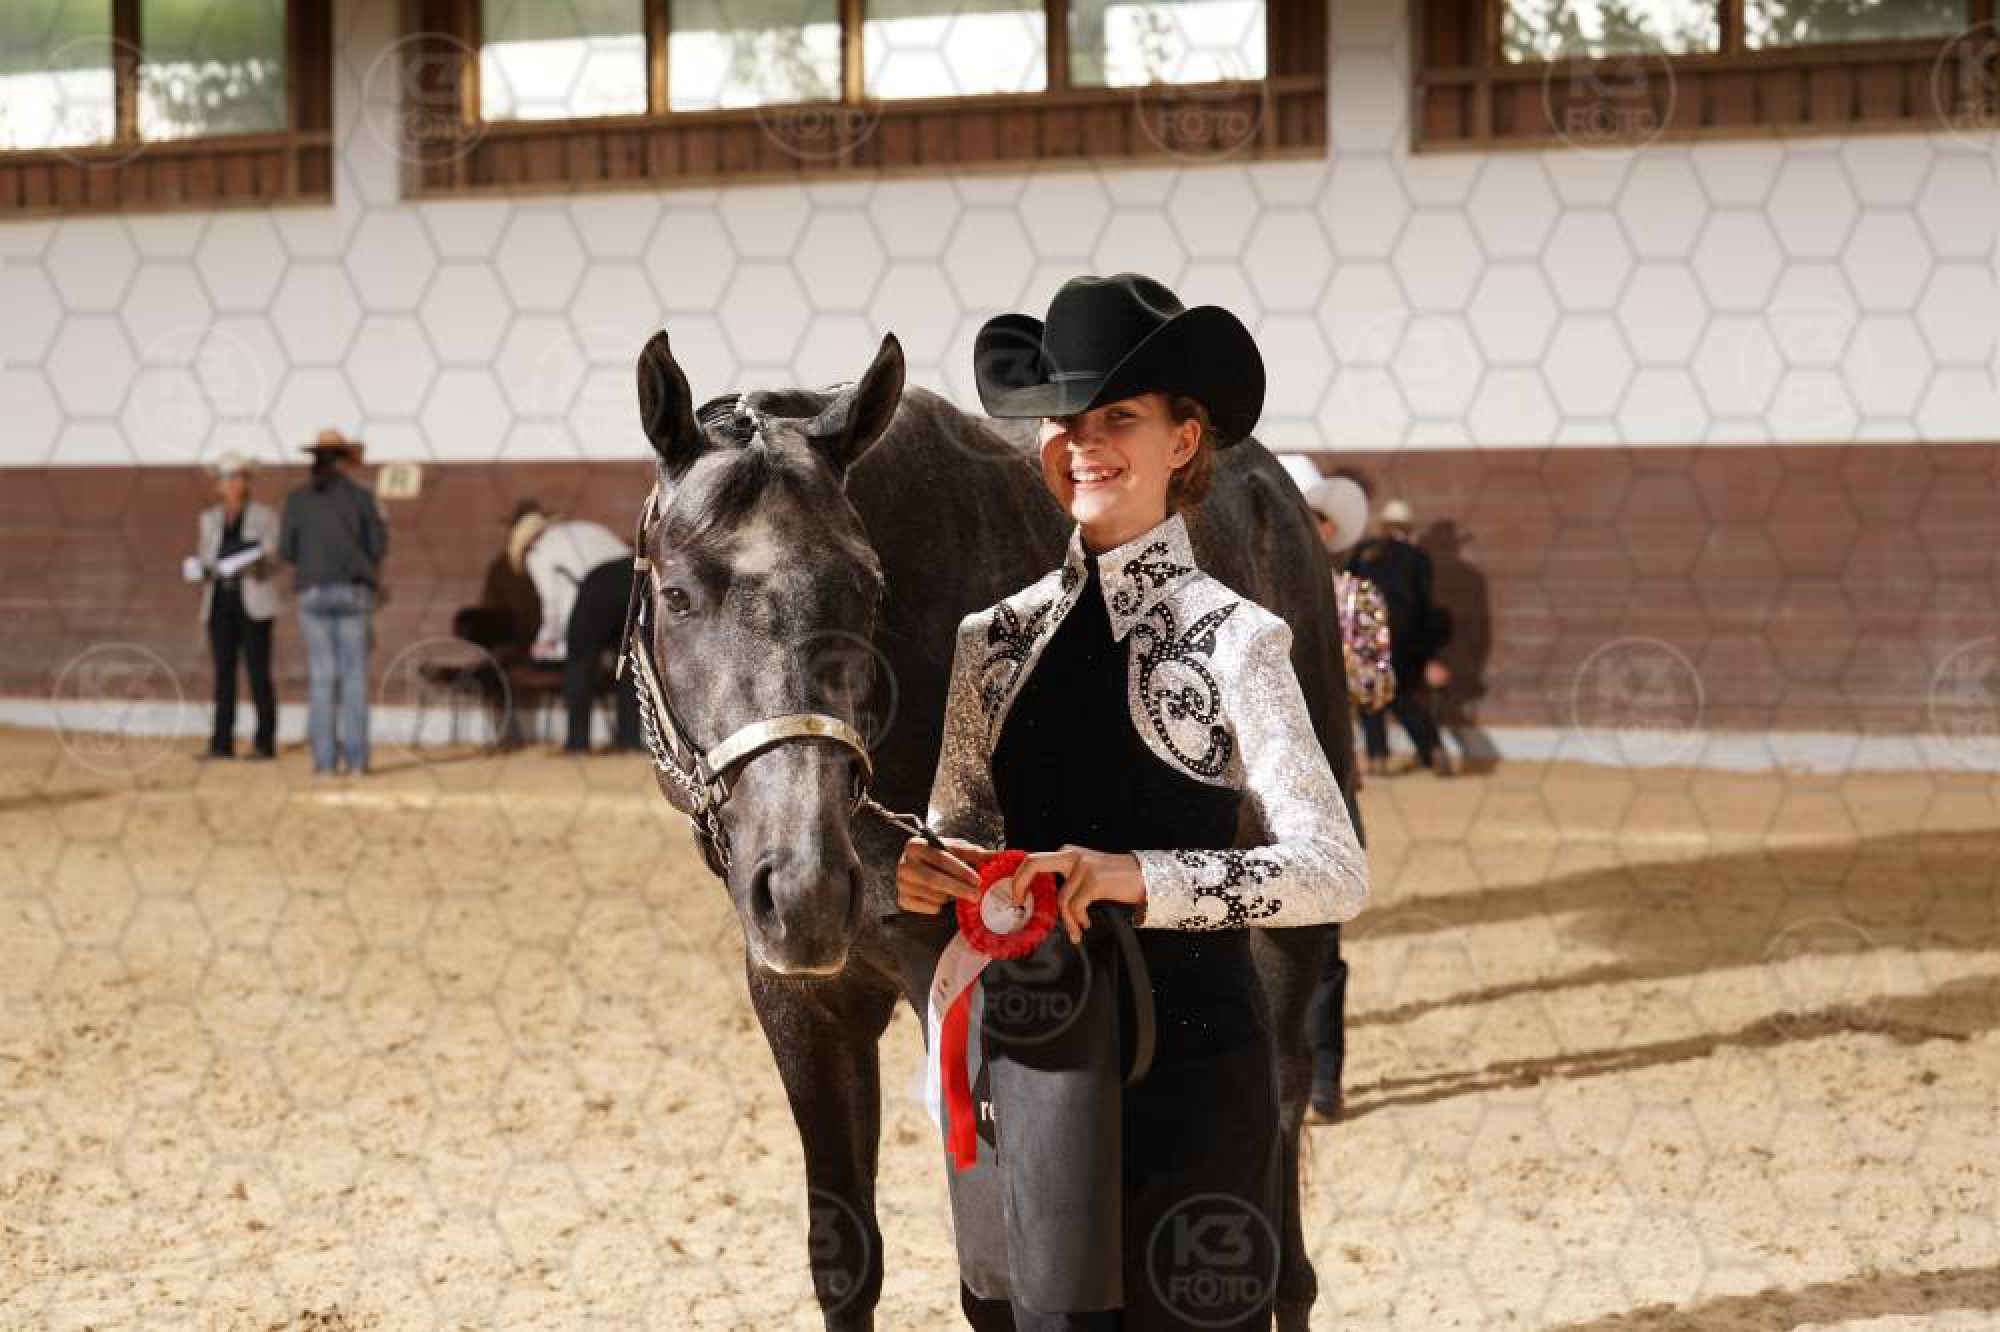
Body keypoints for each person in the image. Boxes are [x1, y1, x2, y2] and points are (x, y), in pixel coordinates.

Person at [895, 273, 1369, 1329]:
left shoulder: (1237, 640)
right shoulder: (990, 643)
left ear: (1182, 440)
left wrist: (1130, 878)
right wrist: (930, 868)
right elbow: (963, 829)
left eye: (1118, 416)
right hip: (1032, 1062)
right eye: (1065, 419)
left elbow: (1332, 871)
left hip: (1195, 1073)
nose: (1084, 442)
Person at [1299, 475, 1394, 1123]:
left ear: (1327, 528)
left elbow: (1379, 686)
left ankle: (1323, 1075)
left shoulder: (1357, 597)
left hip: (1330, 780)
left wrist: (1324, 660)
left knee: (1322, 938)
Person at [279, 430, 387, 776]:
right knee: (353, 678)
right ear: (343, 461)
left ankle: (324, 764)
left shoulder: (297, 499)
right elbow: (378, 547)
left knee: (322, 678)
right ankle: (356, 763)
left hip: (312, 590)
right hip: (353, 590)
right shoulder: (361, 497)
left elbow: (285, 550)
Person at [506, 501, 641, 754]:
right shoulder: (583, 528)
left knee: (579, 663)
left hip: (599, 584)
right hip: (632, 578)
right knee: (628, 662)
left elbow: (553, 602)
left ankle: (577, 743)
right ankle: (630, 741)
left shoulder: (537, 551)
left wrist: (545, 639)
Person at [1347, 497, 1452, 777]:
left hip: (1367, 632)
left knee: (1371, 696)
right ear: (1408, 528)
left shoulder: (1363, 553)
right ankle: (1432, 749)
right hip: (1403, 636)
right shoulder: (1417, 558)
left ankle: (1377, 757)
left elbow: (1349, 595)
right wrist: (1430, 654)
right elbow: (1425, 606)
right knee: (1402, 695)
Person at [194, 452, 280, 760]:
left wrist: (247, 559)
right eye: (225, 478)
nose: (230, 484)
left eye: (236, 477)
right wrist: (204, 567)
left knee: (258, 673)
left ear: (247, 482)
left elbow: (272, 554)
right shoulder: (209, 519)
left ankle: (264, 742)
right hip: (220, 600)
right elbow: (205, 556)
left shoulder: (265, 516)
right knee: (223, 675)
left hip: (253, 599)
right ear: (218, 485)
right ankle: (221, 742)